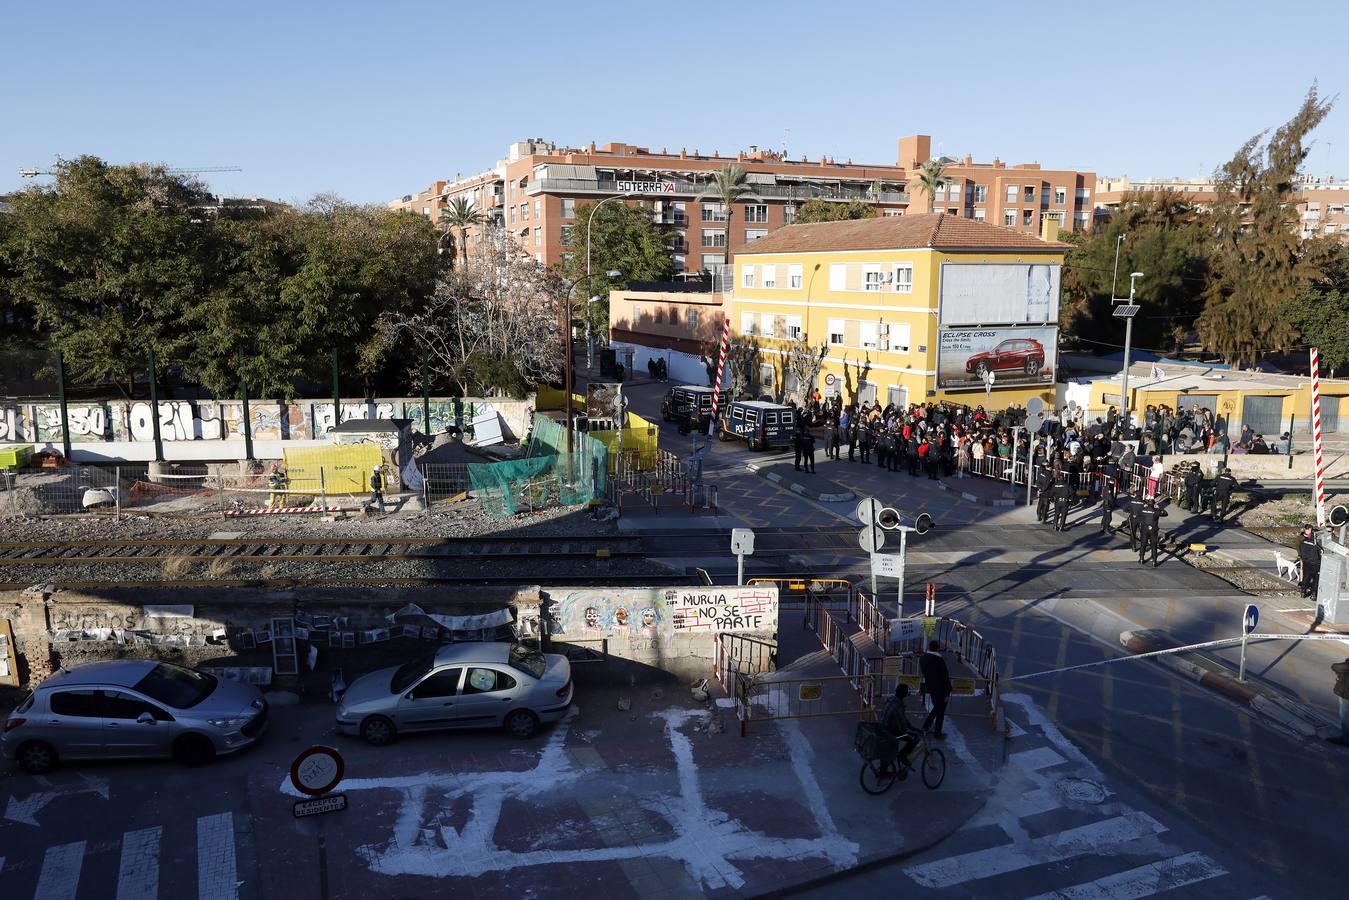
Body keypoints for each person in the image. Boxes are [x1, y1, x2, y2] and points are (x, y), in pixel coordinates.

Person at [879, 683, 922, 776]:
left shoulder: (890, 699)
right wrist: (912, 731)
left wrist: (911, 727)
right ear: (905, 695)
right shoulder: (898, 707)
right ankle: (902, 756)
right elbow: (903, 727)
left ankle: (895, 759)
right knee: (913, 740)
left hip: (882, 727)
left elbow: (902, 718)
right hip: (890, 731)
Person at [919, 640, 953, 739]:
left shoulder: (923, 659)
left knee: (937, 708)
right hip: (941, 689)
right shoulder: (939, 660)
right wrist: (947, 692)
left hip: (931, 687)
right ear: (937, 648)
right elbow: (944, 677)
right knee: (940, 710)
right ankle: (937, 732)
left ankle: (926, 727)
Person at [1138, 496, 1167, 567]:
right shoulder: (1156, 511)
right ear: (1154, 504)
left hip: (1144, 529)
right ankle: (1154, 561)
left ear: (1148, 503)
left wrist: (1144, 506)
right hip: (1153, 530)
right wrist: (1158, 507)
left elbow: (1139, 513)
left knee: (1143, 544)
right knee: (1153, 545)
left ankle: (1141, 558)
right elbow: (1165, 513)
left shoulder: (1143, 510)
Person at [1298, 525, 1322, 598]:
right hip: (1316, 563)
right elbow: (1320, 552)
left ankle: (1303, 591)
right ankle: (1313, 594)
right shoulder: (1317, 543)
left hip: (1307, 562)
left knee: (1306, 577)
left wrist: (1304, 559)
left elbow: (1301, 552)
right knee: (1316, 579)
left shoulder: (1303, 541)